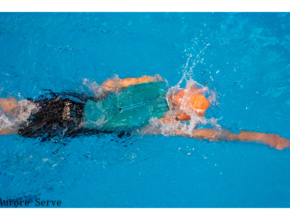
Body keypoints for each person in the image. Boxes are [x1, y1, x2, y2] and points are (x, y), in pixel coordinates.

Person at [0, 75, 290, 150]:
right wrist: (260, 137)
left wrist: (263, 136)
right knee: (15, 119)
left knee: (18, 112)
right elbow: (213, 135)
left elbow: (109, 85)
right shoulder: (160, 111)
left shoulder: (158, 98)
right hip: (77, 116)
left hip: (77, 110)